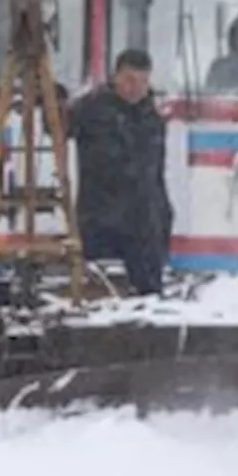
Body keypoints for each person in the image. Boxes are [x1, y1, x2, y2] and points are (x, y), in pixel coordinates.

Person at [68, 49, 172, 295]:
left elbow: (155, 171)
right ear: (115, 77)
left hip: (145, 217)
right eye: (129, 80)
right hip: (100, 211)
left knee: (148, 288)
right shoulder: (91, 109)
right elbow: (59, 125)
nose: (135, 88)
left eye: (143, 81)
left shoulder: (152, 115)